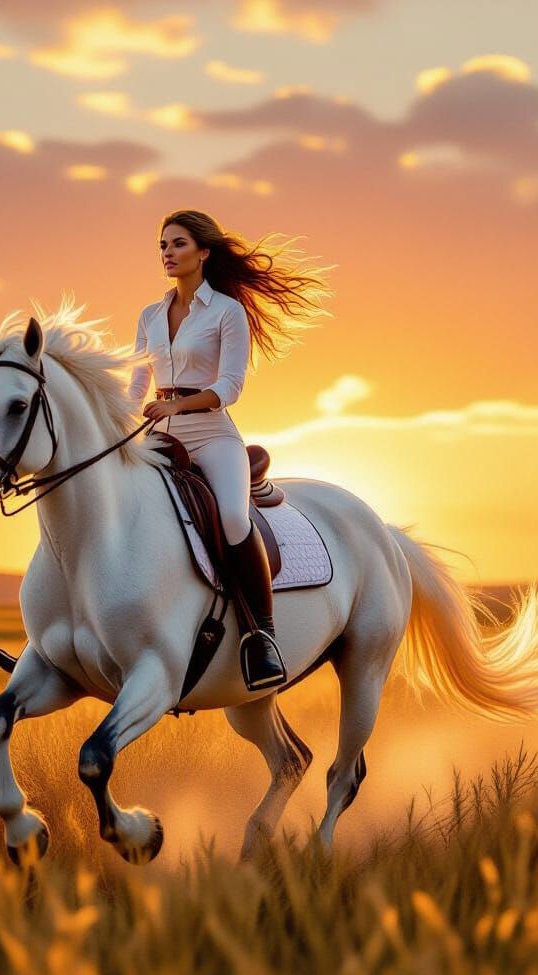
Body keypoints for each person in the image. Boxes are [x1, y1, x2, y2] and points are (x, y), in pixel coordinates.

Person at [129, 210, 333, 690]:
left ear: (203, 252)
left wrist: (178, 405)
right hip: (160, 435)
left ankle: (263, 635)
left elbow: (230, 385)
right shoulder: (149, 316)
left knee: (235, 519)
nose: (167, 253)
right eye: (162, 245)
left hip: (213, 432)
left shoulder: (226, 311)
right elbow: (138, 380)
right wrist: (117, 419)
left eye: (177, 244)